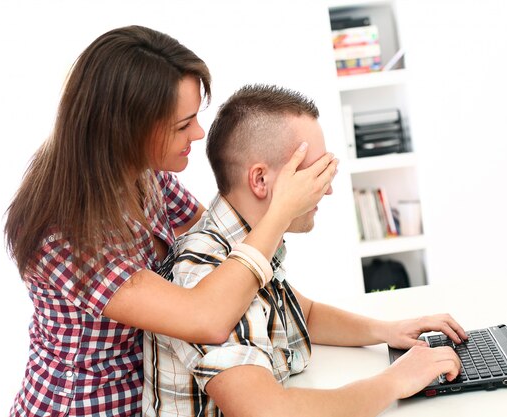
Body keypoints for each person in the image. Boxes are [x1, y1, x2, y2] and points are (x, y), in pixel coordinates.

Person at [4, 26, 337, 417]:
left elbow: (224, 246)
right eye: (183, 125)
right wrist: (281, 209)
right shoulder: (63, 235)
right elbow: (205, 317)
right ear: (124, 130)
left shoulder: (147, 178)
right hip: (83, 407)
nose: (198, 132)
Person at [142, 84, 468, 417]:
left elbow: (302, 312)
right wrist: (395, 381)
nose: (327, 189)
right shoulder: (208, 268)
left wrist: (386, 331)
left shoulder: (245, 238)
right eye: (316, 173)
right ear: (260, 180)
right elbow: (270, 413)